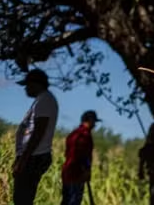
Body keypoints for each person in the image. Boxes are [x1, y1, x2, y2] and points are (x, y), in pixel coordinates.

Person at [13, 68, 59, 205]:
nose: (25, 89)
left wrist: (23, 160)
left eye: (27, 85)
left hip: (34, 157)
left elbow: (39, 131)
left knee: (22, 200)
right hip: (31, 156)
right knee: (22, 199)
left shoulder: (44, 100)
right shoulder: (41, 100)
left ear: (36, 84)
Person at [61, 110, 100, 205]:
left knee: (66, 201)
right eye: (94, 121)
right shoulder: (84, 135)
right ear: (89, 120)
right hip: (76, 174)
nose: (95, 125)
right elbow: (81, 155)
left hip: (67, 173)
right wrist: (86, 170)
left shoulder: (74, 134)